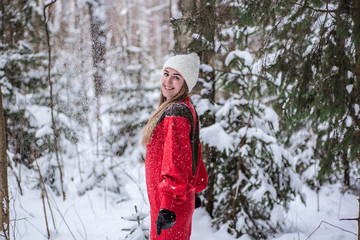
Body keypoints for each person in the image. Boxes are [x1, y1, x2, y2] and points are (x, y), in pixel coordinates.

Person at [142, 53, 208, 240]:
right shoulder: (183, 106)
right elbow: (192, 153)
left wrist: (168, 205)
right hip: (177, 200)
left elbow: (176, 161)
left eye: (176, 76)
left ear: (185, 84)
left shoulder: (175, 112)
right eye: (166, 73)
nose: (168, 81)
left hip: (170, 206)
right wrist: (192, 189)